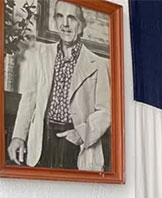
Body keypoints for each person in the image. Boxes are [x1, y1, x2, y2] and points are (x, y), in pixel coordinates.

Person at [7, 0, 110, 171]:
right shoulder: (40, 54)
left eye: (72, 18)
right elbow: (29, 99)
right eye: (60, 16)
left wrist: (82, 134)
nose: (65, 24)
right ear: (55, 21)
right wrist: (18, 136)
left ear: (81, 25)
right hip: (42, 139)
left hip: (76, 144)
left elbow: (105, 111)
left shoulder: (98, 64)